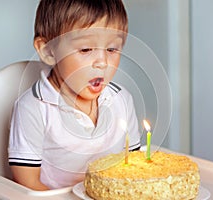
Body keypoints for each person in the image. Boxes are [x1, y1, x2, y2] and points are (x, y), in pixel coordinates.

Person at [8, 0, 141, 190]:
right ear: (48, 51)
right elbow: (27, 183)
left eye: (112, 49)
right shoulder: (33, 108)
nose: (102, 62)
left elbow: (134, 166)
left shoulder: (122, 100)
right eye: (86, 49)